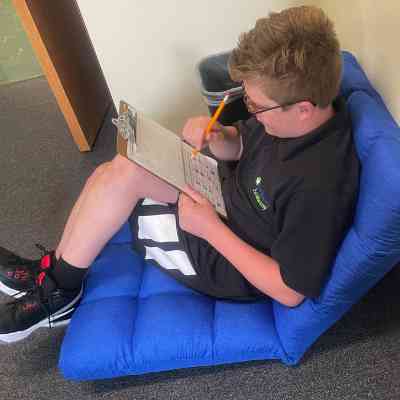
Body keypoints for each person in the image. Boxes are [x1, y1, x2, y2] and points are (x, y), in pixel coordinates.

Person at [0, 5, 359, 343]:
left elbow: (288, 291)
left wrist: (210, 229)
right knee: (118, 168)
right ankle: (51, 275)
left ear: (302, 110)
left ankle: (58, 293)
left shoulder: (319, 185)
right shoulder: (291, 116)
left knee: (122, 184)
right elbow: (245, 145)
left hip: (227, 254)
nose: (252, 111)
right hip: (220, 195)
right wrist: (221, 136)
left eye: (256, 106)